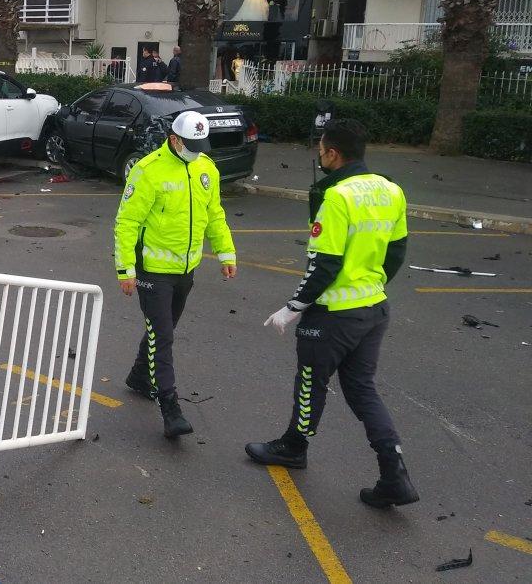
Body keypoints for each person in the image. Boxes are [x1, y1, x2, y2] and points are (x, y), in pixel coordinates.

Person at [247, 119, 418, 509]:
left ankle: (293, 446)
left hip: (334, 314)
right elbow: (395, 253)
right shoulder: (391, 190)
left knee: (310, 381)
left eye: (321, 149)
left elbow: (324, 264)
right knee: (362, 389)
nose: (318, 155)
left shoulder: (337, 197)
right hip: (373, 308)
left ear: (333, 154)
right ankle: (395, 475)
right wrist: (367, 283)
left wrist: (292, 308)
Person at [115, 111, 237, 438]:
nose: (196, 151)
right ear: (174, 139)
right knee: (164, 335)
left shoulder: (205, 168)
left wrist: (226, 253)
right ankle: (170, 407)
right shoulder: (148, 171)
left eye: (200, 146)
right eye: (191, 145)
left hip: (186, 270)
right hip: (153, 271)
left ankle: (140, 376)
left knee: (163, 329)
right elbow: (127, 223)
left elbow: (215, 216)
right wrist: (125, 269)